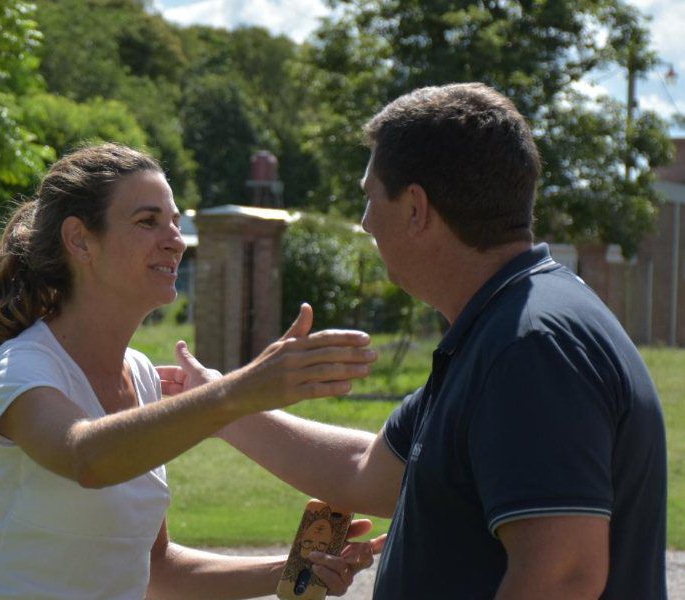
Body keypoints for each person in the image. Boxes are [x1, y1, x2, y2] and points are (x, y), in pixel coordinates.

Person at [163, 83, 668, 598]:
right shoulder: (503, 327)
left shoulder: (530, 346)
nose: (364, 222)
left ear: (414, 208)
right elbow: (370, 473)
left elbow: (562, 576)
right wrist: (215, 403)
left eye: (369, 197)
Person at [0, 142, 384, 600]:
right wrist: (237, 392)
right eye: (147, 222)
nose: (175, 239)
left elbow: (155, 570)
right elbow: (85, 458)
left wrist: (296, 567)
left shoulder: (139, 374)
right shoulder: (22, 367)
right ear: (79, 240)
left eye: (175, 221)